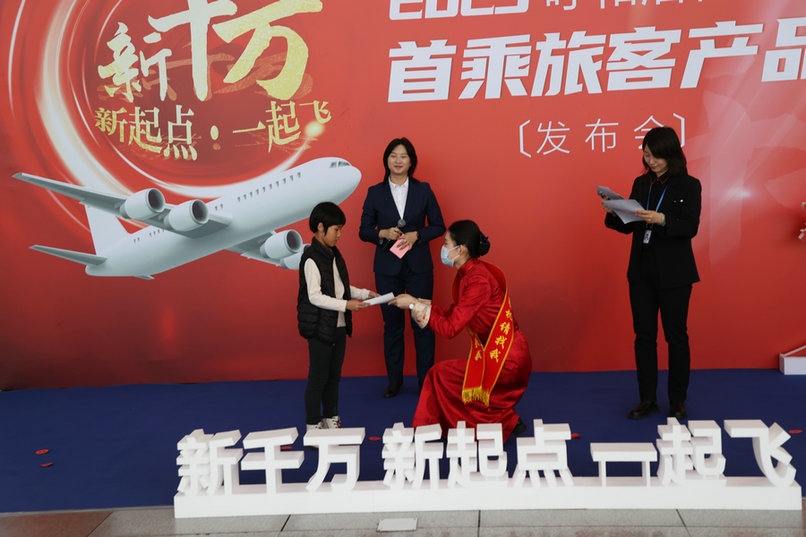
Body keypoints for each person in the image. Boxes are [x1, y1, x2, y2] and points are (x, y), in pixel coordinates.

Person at [390, 220, 532, 441]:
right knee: (450, 379)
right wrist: (417, 302)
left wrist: (413, 306)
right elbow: (452, 314)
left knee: (439, 376)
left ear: (461, 249)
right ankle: (507, 420)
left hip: (506, 358)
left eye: (446, 243)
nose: (443, 248)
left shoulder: (477, 280)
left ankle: (500, 421)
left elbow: (450, 328)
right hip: (498, 352)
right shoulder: (470, 273)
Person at [602, 126, 702, 421]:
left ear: (672, 154)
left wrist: (662, 219)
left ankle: (677, 400)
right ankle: (647, 399)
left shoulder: (689, 185)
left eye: (657, 156)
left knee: (676, 336)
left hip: (675, 274)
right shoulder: (641, 183)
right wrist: (615, 213)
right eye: (647, 155)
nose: (651, 161)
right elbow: (631, 225)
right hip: (641, 272)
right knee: (644, 336)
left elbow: (690, 227)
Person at [359, 137, 445, 398]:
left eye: (403, 156)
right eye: (393, 155)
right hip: (387, 269)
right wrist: (382, 233)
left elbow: (439, 226)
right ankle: (394, 382)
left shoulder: (424, 190)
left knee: (423, 324)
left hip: (419, 268)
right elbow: (363, 230)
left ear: (411, 161)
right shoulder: (375, 192)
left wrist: (417, 235)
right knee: (392, 327)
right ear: (386, 160)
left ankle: (426, 383)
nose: (398, 160)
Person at [297, 201, 378, 431]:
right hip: (320, 328)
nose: (340, 235)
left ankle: (331, 419)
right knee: (318, 378)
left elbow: (339, 286)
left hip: (338, 326)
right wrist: (346, 305)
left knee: (334, 377)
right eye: (336, 229)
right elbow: (315, 296)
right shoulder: (311, 258)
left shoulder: (333, 254)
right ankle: (313, 425)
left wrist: (366, 294)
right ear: (320, 227)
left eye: (341, 229)